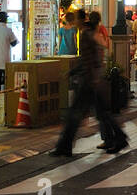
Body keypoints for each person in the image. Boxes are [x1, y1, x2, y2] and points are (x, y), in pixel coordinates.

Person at [52, 11, 126, 155]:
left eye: (76, 19)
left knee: (74, 114)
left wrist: (72, 73)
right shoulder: (91, 32)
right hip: (94, 80)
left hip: (89, 81)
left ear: (80, 20)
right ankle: (120, 138)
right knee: (102, 114)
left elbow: (86, 59)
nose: (74, 22)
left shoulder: (85, 34)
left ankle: (64, 147)